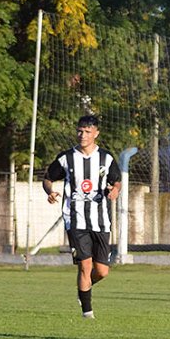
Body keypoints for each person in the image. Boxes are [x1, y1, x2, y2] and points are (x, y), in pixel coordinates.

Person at [42, 115, 121, 318]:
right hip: (74, 219)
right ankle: (87, 314)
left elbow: (116, 181)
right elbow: (48, 178)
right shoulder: (66, 158)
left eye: (87, 132)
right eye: (79, 131)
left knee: (102, 271)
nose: (82, 135)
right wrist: (49, 191)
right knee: (85, 265)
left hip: (100, 220)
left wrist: (115, 191)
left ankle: (84, 291)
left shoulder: (106, 158)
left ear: (96, 133)